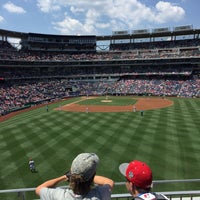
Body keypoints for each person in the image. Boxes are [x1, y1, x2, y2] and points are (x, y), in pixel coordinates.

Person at [35, 153, 114, 200]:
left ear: (71, 172)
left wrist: (64, 177)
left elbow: (39, 189)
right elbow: (109, 182)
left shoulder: (59, 196)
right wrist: (89, 175)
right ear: (93, 176)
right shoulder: (101, 194)